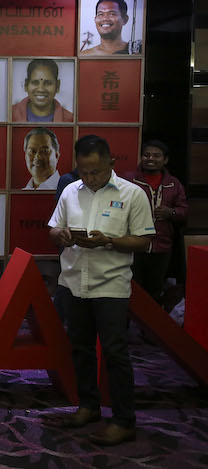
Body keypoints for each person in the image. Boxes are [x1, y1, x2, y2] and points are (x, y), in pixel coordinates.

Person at [46, 135, 155, 446]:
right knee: (79, 349)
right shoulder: (70, 191)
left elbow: (145, 240)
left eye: (96, 171)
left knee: (115, 353)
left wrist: (108, 240)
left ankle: (124, 420)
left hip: (111, 285)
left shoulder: (132, 194)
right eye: (84, 171)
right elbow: (54, 228)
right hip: (72, 281)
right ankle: (88, 406)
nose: (90, 177)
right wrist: (62, 235)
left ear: (111, 163)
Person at [127, 140, 188, 305]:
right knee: (130, 290)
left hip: (161, 246)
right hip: (134, 245)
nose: (150, 158)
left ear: (165, 160)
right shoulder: (129, 180)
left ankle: (148, 330)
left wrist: (171, 212)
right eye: (146, 155)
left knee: (154, 291)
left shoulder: (173, 183)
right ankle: (126, 328)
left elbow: (184, 211)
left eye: (156, 155)